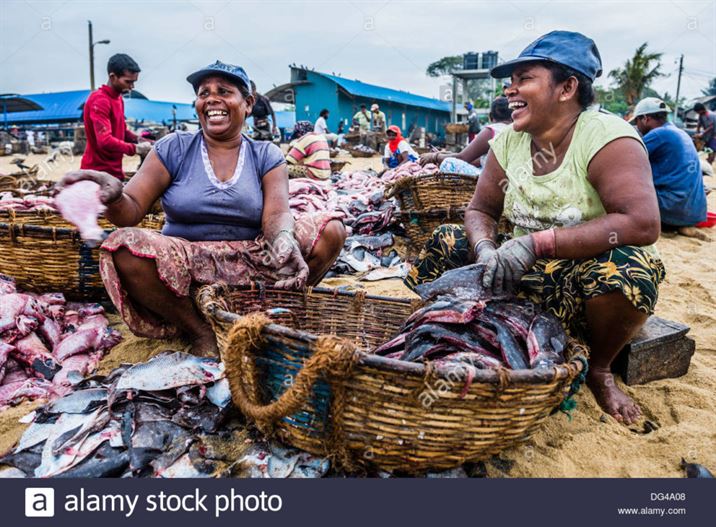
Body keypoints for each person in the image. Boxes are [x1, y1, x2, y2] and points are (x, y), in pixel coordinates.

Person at [404, 31, 665, 426]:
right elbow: (480, 209)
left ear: (567, 87)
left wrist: (540, 242)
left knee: (627, 272)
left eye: (524, 79)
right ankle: (472, 333)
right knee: (445, 241)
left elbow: (641, 223)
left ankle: (598, 368)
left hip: (580, 276)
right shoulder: (509, 142)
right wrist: (485, 248)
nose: (510, 90)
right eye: (510, 82)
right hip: (519, 273)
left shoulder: (607, 138)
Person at [58, 61, 346, 357]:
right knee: (122, 246)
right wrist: (114, 196)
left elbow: (276, 213)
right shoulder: (173, 148)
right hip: (185, 259)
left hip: (253, 257)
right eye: (203, 92)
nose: (211, 99)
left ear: (247, 104)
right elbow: (129, 214)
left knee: (331, 229)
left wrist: (283, 240)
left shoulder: (265, 153)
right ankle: (200, 330)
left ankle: (275, 309)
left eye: (224, 91)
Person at [632, 97, 708, 239]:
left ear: (645, 118)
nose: (637, 126)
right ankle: (680, 226)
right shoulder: (680, 133)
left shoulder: (658, 134)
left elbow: (627, 157)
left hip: (671, 208)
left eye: (637, 121)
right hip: (693, 212)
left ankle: (666, 225)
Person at [81, 53, 152, 180]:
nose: (132, 87)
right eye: (128, 82)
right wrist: (135, 148)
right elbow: (105, 141)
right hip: (97, 175)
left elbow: (122, 132)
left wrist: (141, 140)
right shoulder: (100, 100)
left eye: (134, 82)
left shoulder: (118, 99)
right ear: (113, 77)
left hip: (114, 173)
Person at [420, 96, 512, 175]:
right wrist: (442, 154)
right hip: (505, 179)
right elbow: (476, 160)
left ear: (491, 116)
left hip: (491, 180)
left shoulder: (492, 131)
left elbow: (462, 158)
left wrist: (434, 157)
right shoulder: (514, 130)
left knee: (448, 163)